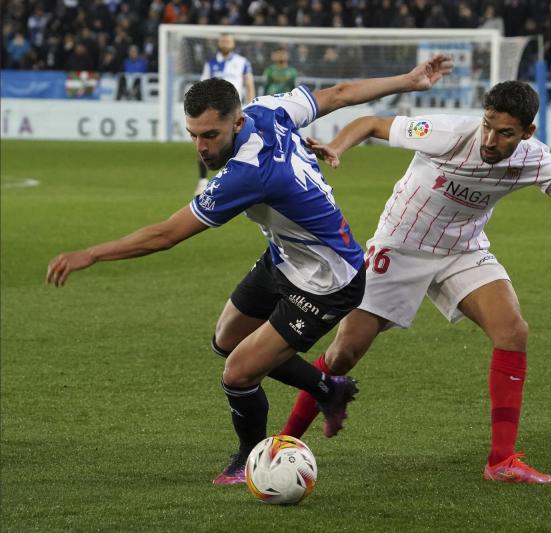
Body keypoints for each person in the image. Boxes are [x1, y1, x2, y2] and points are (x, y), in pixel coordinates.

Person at [278, 81, 551, 485]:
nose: (490, 140)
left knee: (513, 331)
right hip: (400, 246)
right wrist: (337, 145)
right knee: (342, 356)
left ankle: (501, 461)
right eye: (488, 126)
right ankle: (281, 444)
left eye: (504, 133)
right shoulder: (447, 133)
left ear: (527, 132)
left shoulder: (535, 159)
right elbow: (372, 122)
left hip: (463, 250)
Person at [46, 54, 455, 485]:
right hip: (286, 256)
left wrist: (90, 254)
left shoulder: (247, 174)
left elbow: (165, 235)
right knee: (226, 340)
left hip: (327, 281)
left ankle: (250, 459)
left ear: (237, 124)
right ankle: (327, 389)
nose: (201, 147)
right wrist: (408, 80)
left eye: (210, 135)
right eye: (193, 135)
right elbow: (337, 95)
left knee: (239, 372)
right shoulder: (267, 110)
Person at [195, 33, 257, 195]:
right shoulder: (211, 63)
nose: (225, 43)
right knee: (204, 143)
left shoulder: (242, 62)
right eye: (223, 40)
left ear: (233, 43)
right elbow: (202, 85)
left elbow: (249, 85)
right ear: (219, 43)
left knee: (236, 143)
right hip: (212, 111)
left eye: (228, 40)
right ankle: (202, 181)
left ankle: (234, 181)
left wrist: (250, 106)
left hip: (234, 110)